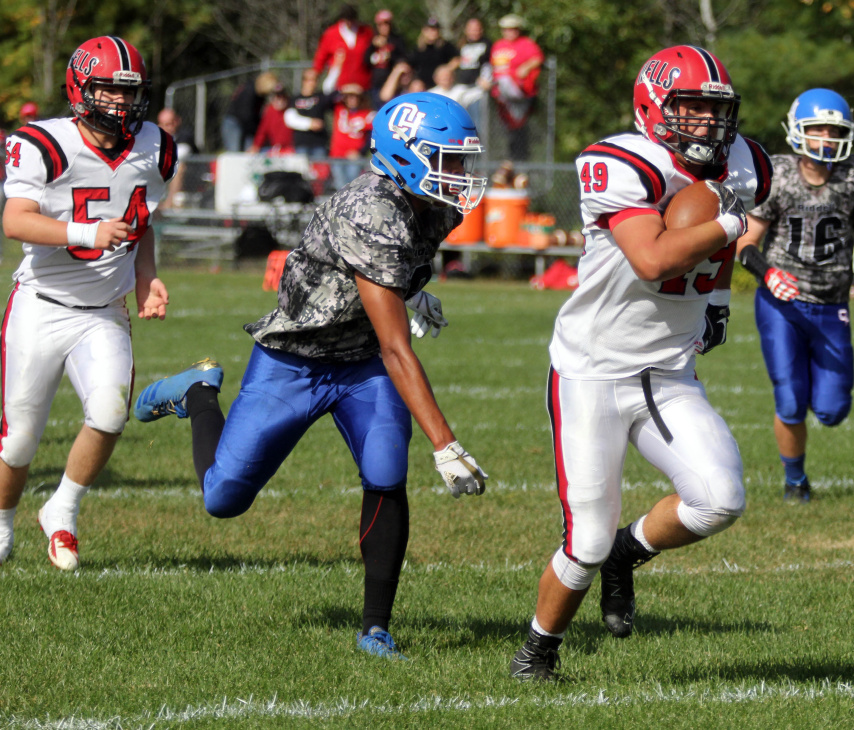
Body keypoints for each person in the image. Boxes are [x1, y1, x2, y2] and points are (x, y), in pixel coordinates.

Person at [131, 92, 489, 659]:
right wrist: (446, 444)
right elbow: (398, 347)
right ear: (405, 155)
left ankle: (375, 627)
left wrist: (413, 291)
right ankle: (198, 391)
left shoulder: (435, 204)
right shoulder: (369, 208)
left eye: (461, 160)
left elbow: (386, 284)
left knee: (385, 468)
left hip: (361, 359)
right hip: (296, 358)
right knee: (222, 498)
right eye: (446, 160)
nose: (461, 175)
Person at [508, 46, 772, 681]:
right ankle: (537, 650)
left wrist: (714, 299)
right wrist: (731, 221)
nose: (707, 125)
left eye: (716, 111)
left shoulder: (747, 162)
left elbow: (728, 239)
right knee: (585, 540)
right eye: (691, 109)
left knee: (718, 498)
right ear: (654, 107)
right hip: (592, 370)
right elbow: (653, 260)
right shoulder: (621, 161)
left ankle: (631, 553)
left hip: (667, 371)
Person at [0, 36, 171, 570]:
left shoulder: (156, 145)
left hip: (103, 310)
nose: (121, 103)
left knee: (110, 411)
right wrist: (86, 231)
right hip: (41, 304)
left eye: (130, 92)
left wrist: (146, 276)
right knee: (20, 441)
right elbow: (14, 220)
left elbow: (142, 220)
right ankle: (2, 521)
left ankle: (62, 509)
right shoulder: (43, 143)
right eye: (107, 90)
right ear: (80, 89)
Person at [735, 88, 854, 504]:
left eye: (834, 129)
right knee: (789, 398)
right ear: (798, 130)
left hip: (831, 304)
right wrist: (767, 275)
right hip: (781, 304)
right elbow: (745, 244)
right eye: (817, 127)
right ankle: (795, 481)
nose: (826, 136)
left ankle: (799, 472)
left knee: (833, 410)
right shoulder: (779, 175)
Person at [488, 14, 545, 161]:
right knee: (509, 131)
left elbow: (538, 58)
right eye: (506, 29)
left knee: (504, 79)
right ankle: (506, 162)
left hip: (519, 91)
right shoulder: (498, 45)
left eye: (513, 29)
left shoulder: (526, 44)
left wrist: (526, 67)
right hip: (500, 96)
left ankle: (519, 163)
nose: (509, 32)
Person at [313, 4, 374, 96]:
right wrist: (315, 76)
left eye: (351, 19)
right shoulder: (331, 34)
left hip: (363, 86)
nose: (349, 23)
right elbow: (320, 58)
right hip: (340, 87)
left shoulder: (366, 32)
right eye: (346, 19)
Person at [329, 84, 375, 190]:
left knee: (353, 185)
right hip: (337, 154)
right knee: (339, 185)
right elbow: (326, 99)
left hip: (354, 156)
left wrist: (360, 152)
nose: (352, 100)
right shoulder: (339, 110)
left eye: (355, 97)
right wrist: (343, 89)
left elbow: (370, 138)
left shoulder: (367, 114)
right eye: (349, 97)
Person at [284, 68, 335, 159]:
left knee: (320, 171)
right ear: (304, 81)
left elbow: (330, 87)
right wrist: (309, 123)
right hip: (302, 144)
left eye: (315, 80)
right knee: (302, 171)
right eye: (309, 80)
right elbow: (289, 119)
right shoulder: (295, 99)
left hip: (319, 143)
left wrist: (336, 67)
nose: (312, 83)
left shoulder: (320, 97)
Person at [222, 71, 278, 152]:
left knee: (249, 152)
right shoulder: (249, 90)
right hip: (234, 123)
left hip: (247, 127)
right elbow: (246, 115)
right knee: (234, 152)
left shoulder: (259, 95)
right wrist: (256, 129)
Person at [365, 9, 408, 111]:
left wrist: (391, 55)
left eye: (387, 24)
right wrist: (372, 46)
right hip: (375, 84)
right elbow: (365, 61)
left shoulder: (397, 40)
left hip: (392, 83)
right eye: (381, 24)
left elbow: (404, 58)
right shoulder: (372, 41)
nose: (384, 27)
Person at [156, 108, 199, 209]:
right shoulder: (157, 138)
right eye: (166, 124)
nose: (170, 127)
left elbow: (181, 155)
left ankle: (168, 204)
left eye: (172, 122)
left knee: (178, 168)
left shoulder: (185, 135)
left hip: (192, 176)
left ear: (178, 120)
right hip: (166, 173)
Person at [451, 17, 492, 123]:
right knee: (456, 116)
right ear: (466, 30)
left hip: (477, 87)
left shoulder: (487, 44)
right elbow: (457, 62)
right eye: (471, 29)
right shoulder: (462, 45)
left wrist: (485, 79)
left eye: (477, 28)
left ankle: (479, 139)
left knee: (477, 120)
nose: (474, 31)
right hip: (461, 85)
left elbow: (488, 65)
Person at [408, 18, 459, 90]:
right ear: (424, 30)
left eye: (435, 29)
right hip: (423, 85)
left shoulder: (445, 46)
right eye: (430, 29)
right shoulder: (418, 49)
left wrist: (445, 71)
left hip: (441, 85)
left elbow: (456, 59)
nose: (433, 32)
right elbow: (411, 66)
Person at [249, 85, 294, 155]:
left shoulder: (291, 111)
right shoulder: (269, 111)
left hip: (290, 149)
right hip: (275, 149)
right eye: (277, 97)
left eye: (282, 97)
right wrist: (256, 145)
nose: (280, 100)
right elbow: (262, 131)